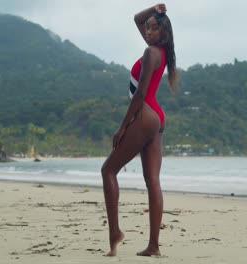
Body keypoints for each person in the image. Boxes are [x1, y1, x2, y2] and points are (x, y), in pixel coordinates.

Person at [101, 3, 177, 257]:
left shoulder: (150, 53)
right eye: (147, 29)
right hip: (157, 117)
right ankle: (153, 246)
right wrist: (155, 9)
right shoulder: (162, 52)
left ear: (162, 33)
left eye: (153, 28)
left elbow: (140, 93)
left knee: (108, 170)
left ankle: (115, 233)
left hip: (145, 114)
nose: (147, 32)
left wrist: (123, 127)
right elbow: (137, 18)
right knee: (152, 180)